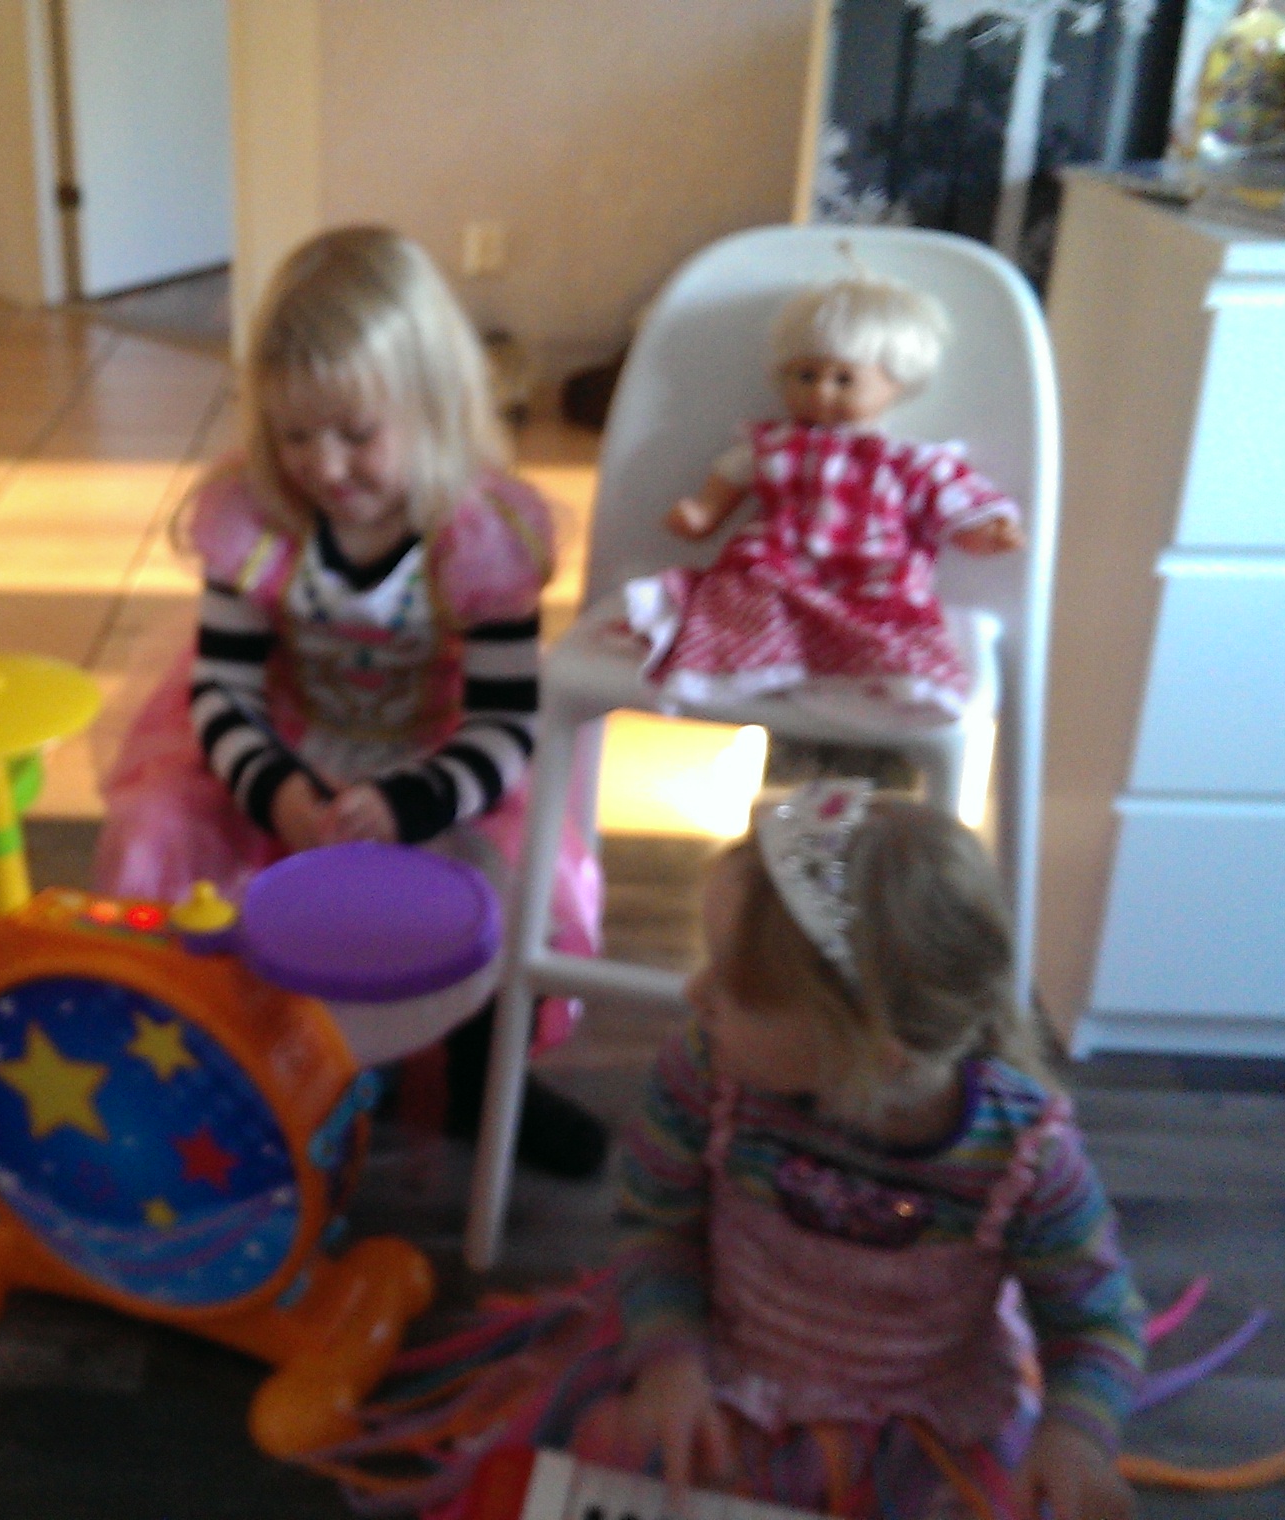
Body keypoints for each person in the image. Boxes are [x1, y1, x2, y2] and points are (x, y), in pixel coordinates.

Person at [317, 782, 1144, 1520]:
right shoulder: (707, 1072)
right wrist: (669, 1360)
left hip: (924, 1429)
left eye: (735, 989)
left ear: (871, 1050)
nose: (694, 992)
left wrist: (1076, 1437)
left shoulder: (1026, 1159)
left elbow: (1097, 1320)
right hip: (717, 1375)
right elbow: (657, 1225)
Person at [93, 225, 607, 1178]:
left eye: (356, 435)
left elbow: (506, 722)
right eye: (296, 436)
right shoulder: (253, 519)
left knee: (517, 881)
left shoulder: (484, 535)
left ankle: (483, 1081)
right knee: (159, 831)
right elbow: (221, 690)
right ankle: (214, 1055)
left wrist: (413, 802)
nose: (325, 468)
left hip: (440, 757)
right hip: (282, 745)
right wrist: (277, 791)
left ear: (432, 407)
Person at [625, 273, 1023, 727]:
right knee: (744, 599)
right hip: (776, 564)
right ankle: (755, 662)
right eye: (806, 375)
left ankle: (872, 674)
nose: (820, 391)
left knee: (885, 623)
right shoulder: (771, 446)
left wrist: (983, 530)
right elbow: (726, 482)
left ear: (896, 383)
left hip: (870, 572)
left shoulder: (908, 460)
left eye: (844, 379)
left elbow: (951, 497)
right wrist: (702, 513)